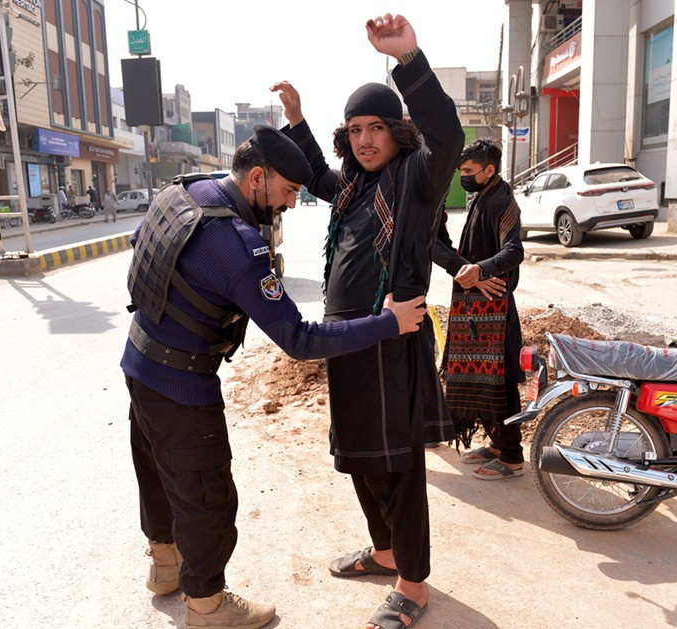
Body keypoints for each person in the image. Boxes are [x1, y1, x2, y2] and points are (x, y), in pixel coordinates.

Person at [122, 124, 428, 629]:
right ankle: (206, 606)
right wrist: (387, 323)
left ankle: (165, 567)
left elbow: (145, 244)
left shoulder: (187, 191)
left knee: (158, 472)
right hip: (182, 382)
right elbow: (299, 339)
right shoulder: (238, 247)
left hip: (139, 364)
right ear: (258, 178)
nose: (288, 204)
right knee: (205, 493)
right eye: (287, 192)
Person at [272, 13, 464, 629]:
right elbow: (323, 179)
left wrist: (409, 61)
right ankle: (384, 552)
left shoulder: (416, 179)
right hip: (348, 343)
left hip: (393, 344)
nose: (364, 140)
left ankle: (413, 585)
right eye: (354, 129)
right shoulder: (354, 187)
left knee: (397, 465)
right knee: (358, 455)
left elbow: (448, 137)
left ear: (397, 131)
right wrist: (300, 124)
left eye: (375, 128)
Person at [432, 139, 527, 480]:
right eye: (461, 172)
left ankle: (512, 456)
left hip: (495, 309)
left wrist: (481, 270)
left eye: (469, 172)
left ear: (489, 170)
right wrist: (471, 273)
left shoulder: (503, 200)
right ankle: (497, 444)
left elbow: (514, 251)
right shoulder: (481, 197)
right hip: (475, 306)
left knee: (499, 381)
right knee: (479, 380)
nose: (464, 178)